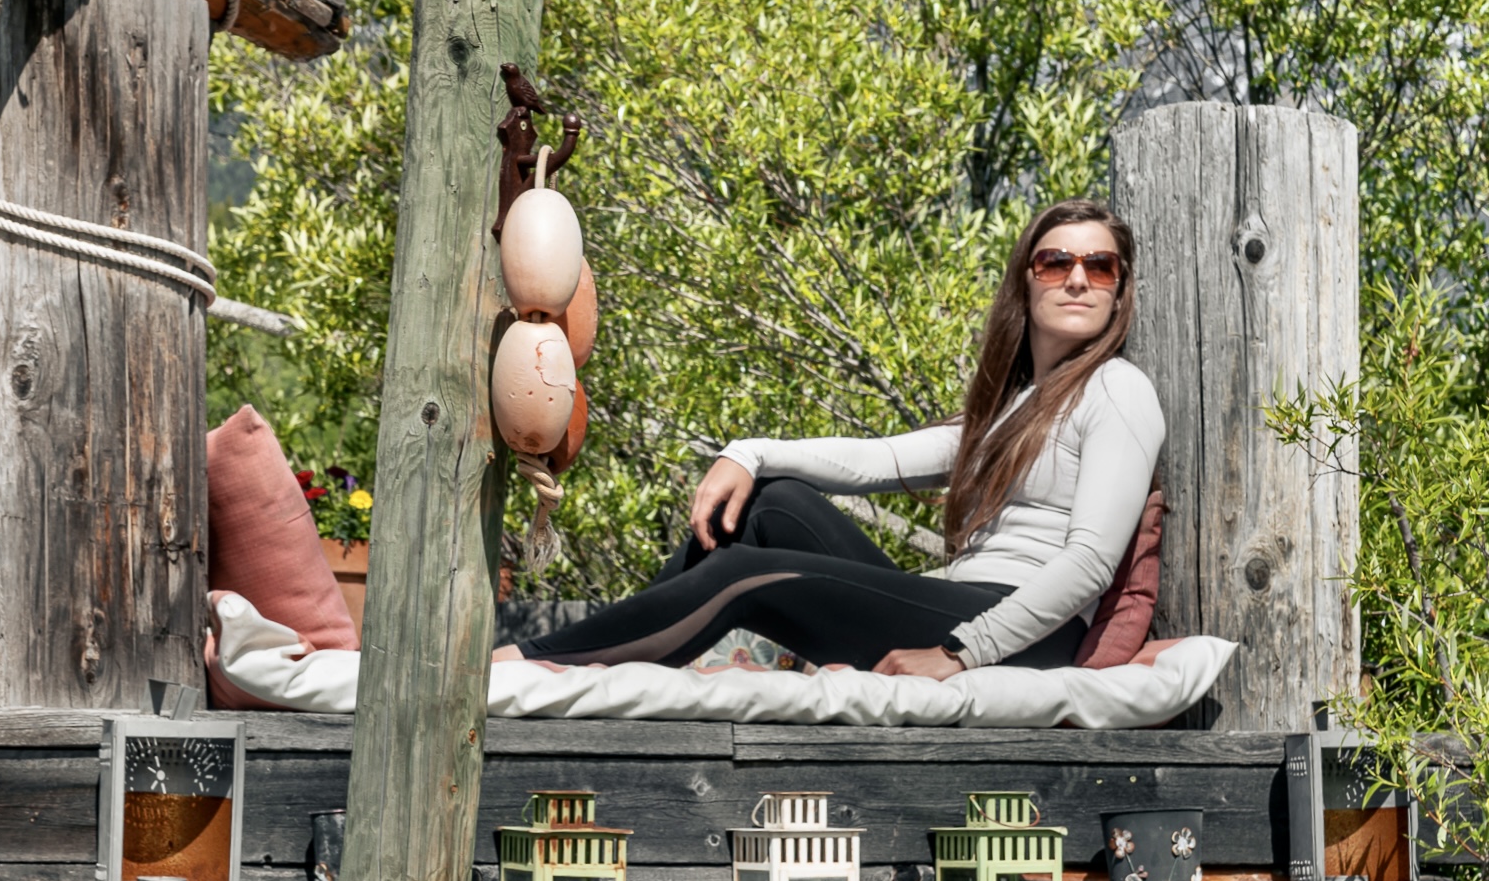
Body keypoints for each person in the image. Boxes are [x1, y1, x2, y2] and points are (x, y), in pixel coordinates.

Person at [495, 198, 1164, 678]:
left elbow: (1086, 567)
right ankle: (616, 649)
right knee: (770, 503)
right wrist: (745, 451)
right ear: (1026, 277)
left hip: (1017, 634)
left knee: (744, 577)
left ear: (1118, 289)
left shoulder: (1115, 390)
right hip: (960, 601)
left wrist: (959, 652)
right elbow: (880, 459)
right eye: (1055, 262)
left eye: (1098, 267)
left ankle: (539, 664)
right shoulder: (1013, 407)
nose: (1076, 279)